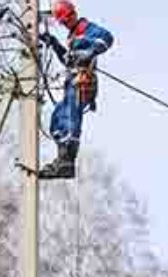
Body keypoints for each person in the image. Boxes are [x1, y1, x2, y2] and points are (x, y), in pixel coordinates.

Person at [38, 0, 114, 180]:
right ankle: (62, 159)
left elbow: (107, 38)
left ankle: (68, 161)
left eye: (66, 20)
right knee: (57, 118)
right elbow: (67, 60)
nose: (65, 24)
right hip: (71, 81)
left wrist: (90, 52)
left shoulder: (86, 28)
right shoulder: (72, 37)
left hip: (82, 81)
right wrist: (55, 43)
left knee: (71, 117)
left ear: (73, 14)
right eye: (62, 23)